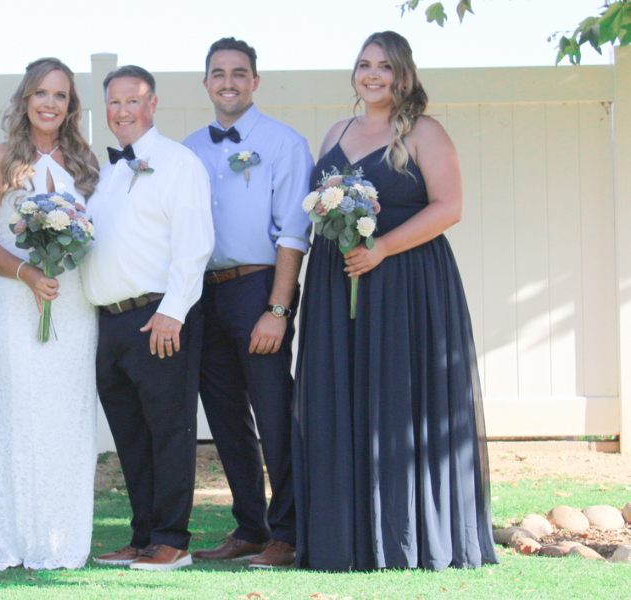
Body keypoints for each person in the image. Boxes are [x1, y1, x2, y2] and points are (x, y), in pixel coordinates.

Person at [292, 31, 497, 571]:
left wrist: (381, 247)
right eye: (364, 64)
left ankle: (409, 537)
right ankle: (345, 537)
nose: (372, 74)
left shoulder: (425, 131)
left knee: (400, 399)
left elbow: (449, 206)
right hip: (338, 282)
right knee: (340, 397)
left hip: (407, 284)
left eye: (384, 66)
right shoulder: (337, 131)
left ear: (403, 75)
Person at [182, 38, 313, 569]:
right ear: (206, 82)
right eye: (218, 73)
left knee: (274, 412)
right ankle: (251, 527)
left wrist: (278, 310)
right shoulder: (189, 147)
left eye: (239, 72)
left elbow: (293, 233)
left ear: (255, 81)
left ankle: (289, 531)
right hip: (202, 294)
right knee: (226, 417)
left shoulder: (284, 143)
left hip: (258, 289)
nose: (228, 81)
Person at [0, 58, 100, 571]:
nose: (50, 103)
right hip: (16, 297)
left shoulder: (86, 163)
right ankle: (14, 538)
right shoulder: (0, 159)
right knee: (21, 416)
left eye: (60, 95)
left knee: (68, 416)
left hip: (72, 302)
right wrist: (26, 274)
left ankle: (62, 538)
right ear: (26, 99)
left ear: (70, 106)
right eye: (41, 93)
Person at [82, 65, 214, 572]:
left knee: (168, 430)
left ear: (152, 104)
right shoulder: (108, 173)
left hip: (159, 318)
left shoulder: (178, 162)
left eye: (132, 101)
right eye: (113, 103)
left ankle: (172, 539)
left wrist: (173, 312)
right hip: (111, 324)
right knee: (131, 437)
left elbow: (194, 243)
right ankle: (141, 537)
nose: (122, 111)